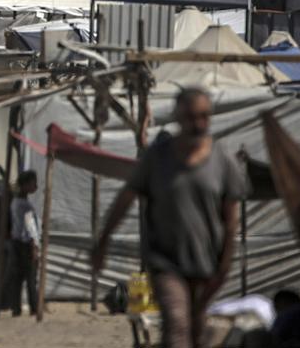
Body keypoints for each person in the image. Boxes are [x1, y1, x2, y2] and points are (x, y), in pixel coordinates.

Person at [93, 88, 248, 348]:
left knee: (195, 327)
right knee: (177, 323)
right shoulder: (158, 158)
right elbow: (126, 197)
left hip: (206, 263)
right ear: (178, 117)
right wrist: (103, 240)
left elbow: (231, 220)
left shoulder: (222, 161)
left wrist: (225, 264)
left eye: (203, 116)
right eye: (190, 117)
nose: (197, 124)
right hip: (166, 261)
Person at [7, 169, 41, 317]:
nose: (36, 186)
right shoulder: (24, 205)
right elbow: (30, 228)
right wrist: (35, 246)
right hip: (26, 244)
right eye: (33, 183)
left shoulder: (15, 202)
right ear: (26, 185)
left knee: (17, 278)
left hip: (16, 243)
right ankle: (34, 307)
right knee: (30, 278)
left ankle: (16, 308)